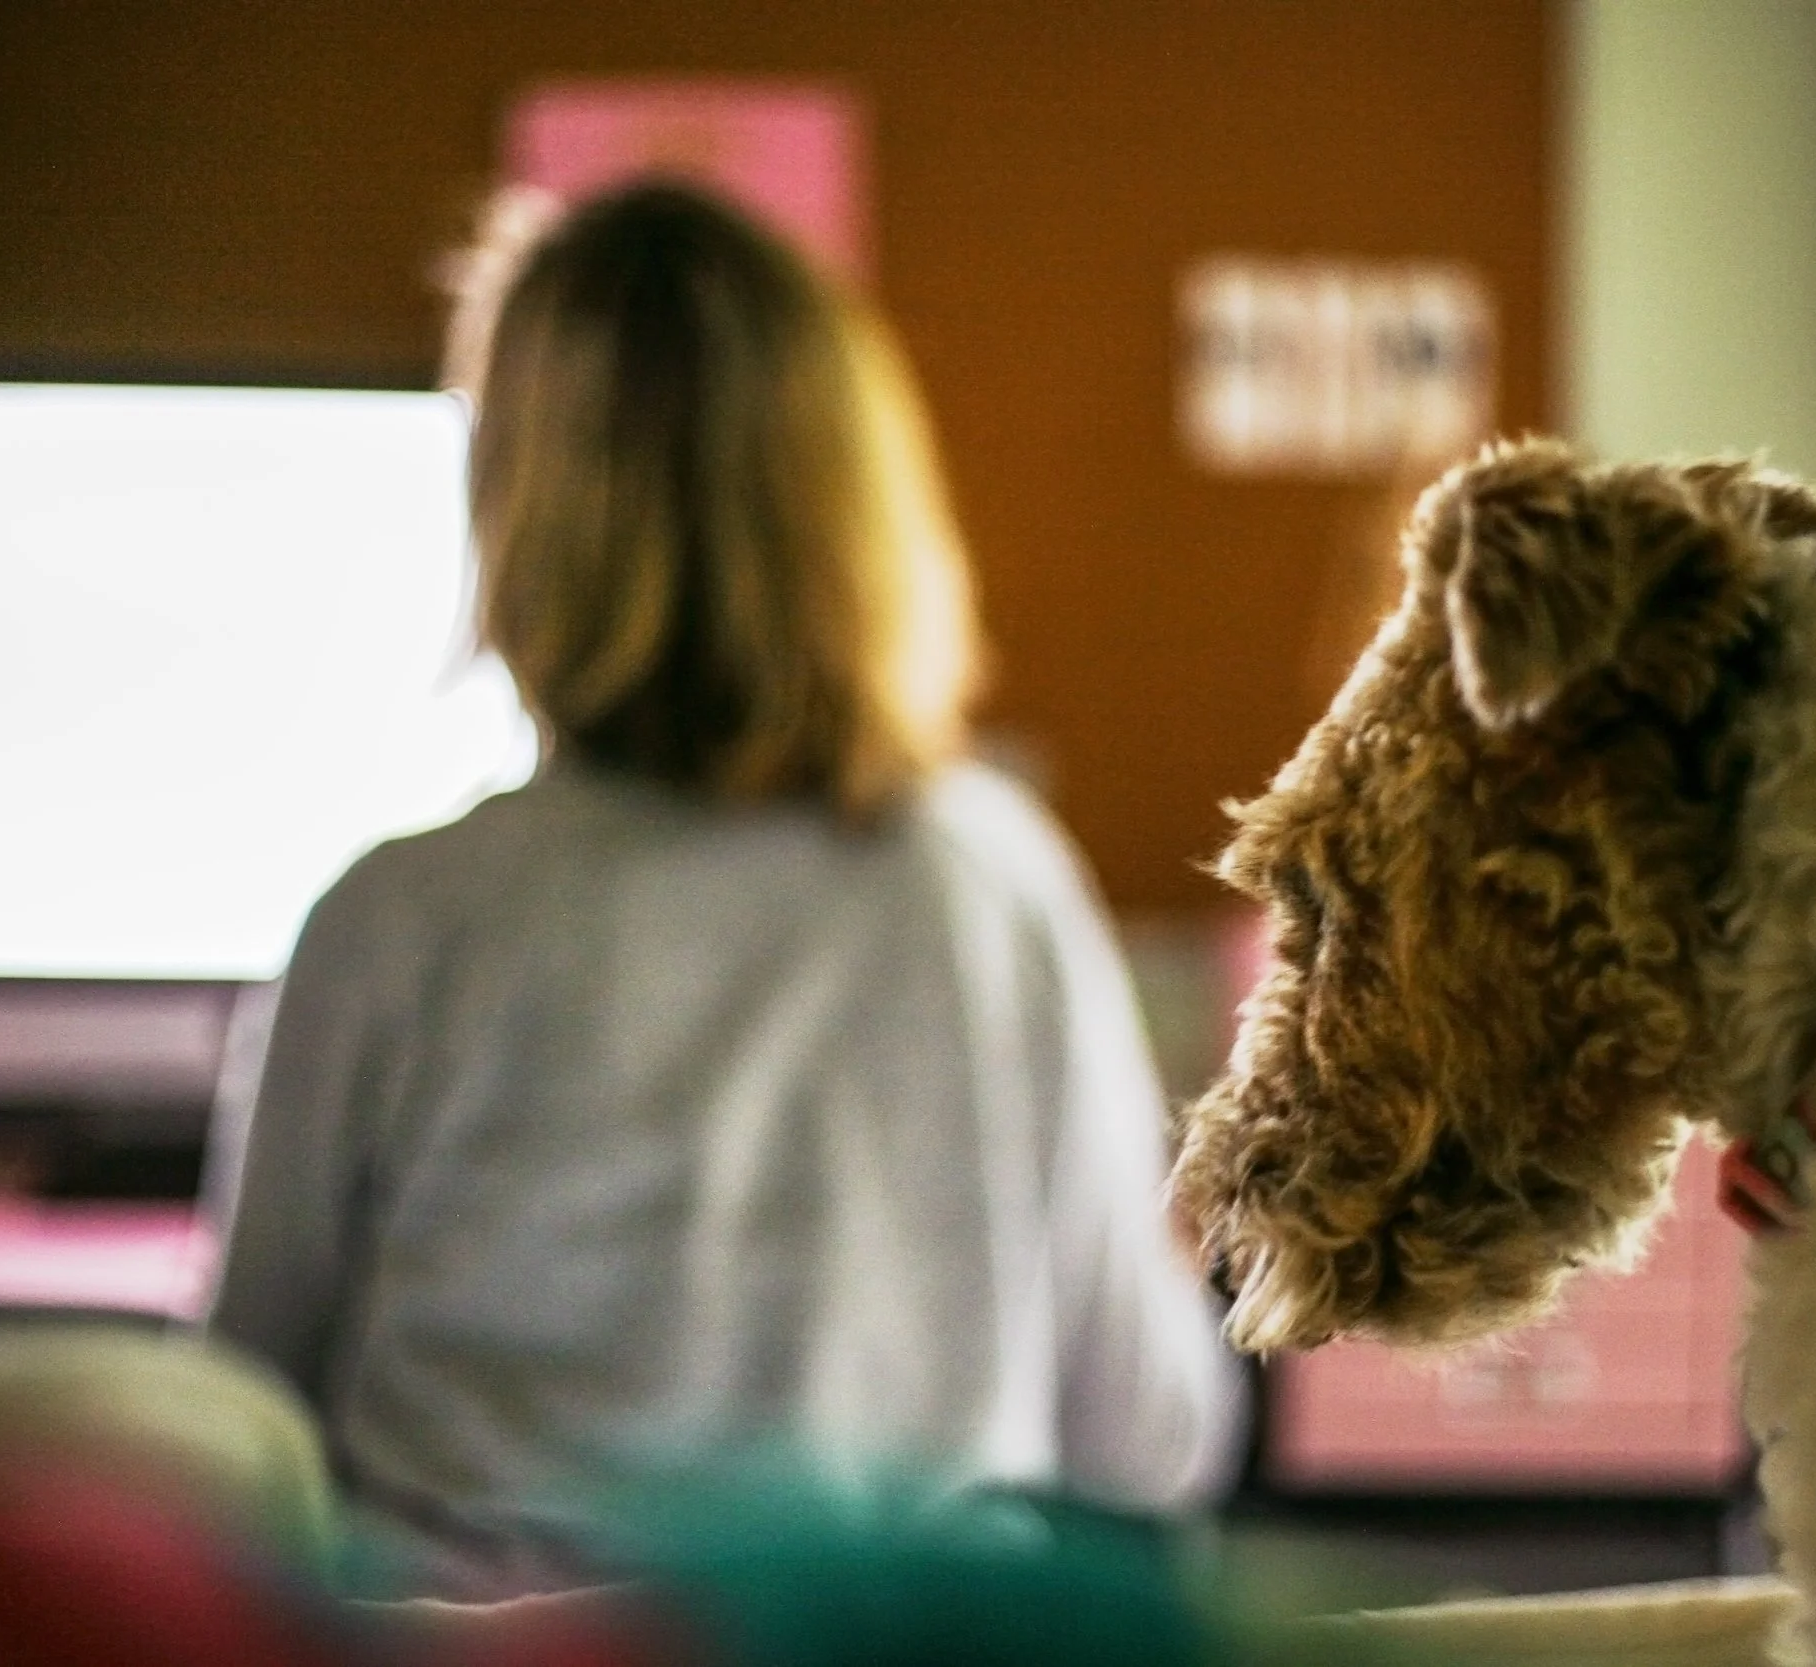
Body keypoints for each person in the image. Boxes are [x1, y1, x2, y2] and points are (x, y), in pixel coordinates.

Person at [204, 181, 1243, 1595]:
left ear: (518, 516)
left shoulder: (396, 922)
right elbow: (1153, 1440)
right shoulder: (991, 884)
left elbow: (238, 1437)